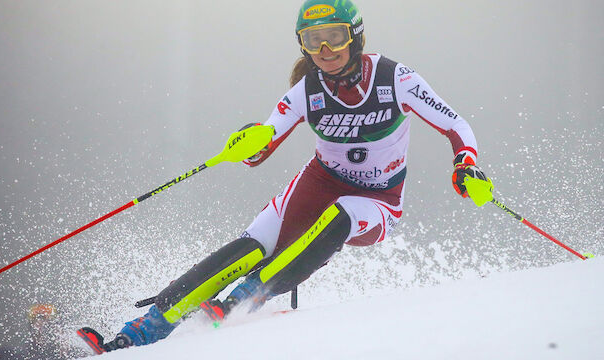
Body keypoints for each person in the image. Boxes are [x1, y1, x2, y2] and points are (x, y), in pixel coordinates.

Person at [79, 0, 490, 353]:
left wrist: (465, 164)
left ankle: (244, 299)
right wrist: (249, 142)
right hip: (319, 183)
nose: (325, 49)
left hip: (379, 201)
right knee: (249, 247)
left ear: (356, 37)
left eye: (335, 36)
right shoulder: (306, 90)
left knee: (343, 213)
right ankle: (133, 338)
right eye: (313, 40)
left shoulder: (395, 79)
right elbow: (262, 146)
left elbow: (457, 126)